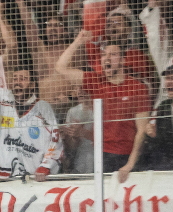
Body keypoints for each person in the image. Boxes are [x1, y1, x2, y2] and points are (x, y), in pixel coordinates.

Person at [56, 30, 150, 182]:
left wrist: (129, 165)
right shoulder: (95, 82)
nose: (106, 58)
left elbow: (141, 131)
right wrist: (78, 41)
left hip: (130, 157)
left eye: (112, 54)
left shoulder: (138, 88)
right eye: (104, 55)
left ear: (123, 60)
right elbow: (60, 67)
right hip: (102, 155)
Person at [145, 64, 173, 171]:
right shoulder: (163, 108)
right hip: (172, 173)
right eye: (167, 79)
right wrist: (152, 136)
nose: (169, 82)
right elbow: (158, 149)